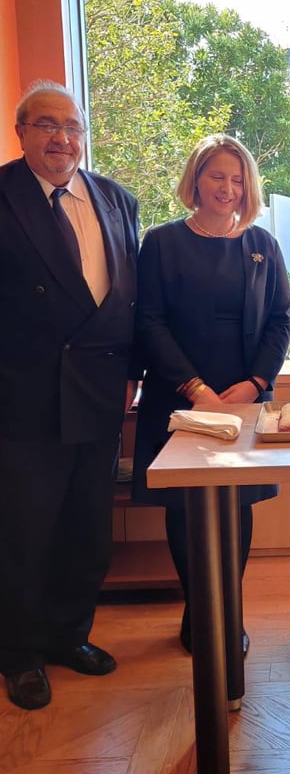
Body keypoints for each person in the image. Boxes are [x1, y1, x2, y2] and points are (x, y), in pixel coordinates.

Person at [0, 80, 139, 710]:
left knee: (87, 529)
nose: (62, 138)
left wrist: (134, 372)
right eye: (47, 125)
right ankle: (20, 653)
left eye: (72, 126)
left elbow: (132, 298)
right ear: (22, 133)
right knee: (25, 532)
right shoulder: (3, 193)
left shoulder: (116, 199)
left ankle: (69, 635)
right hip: (24, 397)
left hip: (100, 391)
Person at [131, 134, 290, 654]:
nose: (228, 188)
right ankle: (198, 610)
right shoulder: (162, 242)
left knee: (235, 506)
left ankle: (228, 609)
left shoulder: (262, 244)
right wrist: (196, 388)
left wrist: (255, 384)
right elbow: (149, 321)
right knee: (185, 508)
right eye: (217, 176)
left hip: (243, 399)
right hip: (181, 397)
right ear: (196, 180)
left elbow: (280, 320)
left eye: (237, 179)